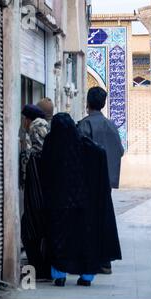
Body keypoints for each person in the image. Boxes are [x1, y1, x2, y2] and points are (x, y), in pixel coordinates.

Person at [41, 113, 122, 287]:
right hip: (84, 207)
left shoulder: (52, 145)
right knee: (85, 241)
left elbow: (45, 174)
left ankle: (60, 275)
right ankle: (86, 277)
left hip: (59, 206)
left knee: (59, 240)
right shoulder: (89, 148)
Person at [78, 87, 124, 275]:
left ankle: (89, 262)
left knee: (87, 222)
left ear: (87, 103)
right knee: (104, 221)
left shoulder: (84, 125)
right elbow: (120, 151)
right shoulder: (111, 125)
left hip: (87, 183)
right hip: (106, 183)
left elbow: (77, 152)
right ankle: (105, 262)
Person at [20, 104, 51, 280]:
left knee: (30, 232)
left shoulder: (36, 159)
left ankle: (37, 269)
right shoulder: (46, 158)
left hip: (36, 206)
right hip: (42, 205)